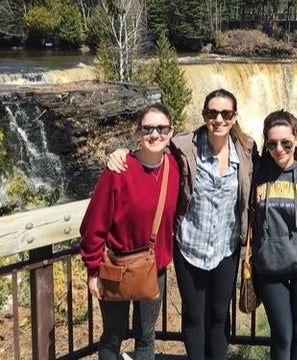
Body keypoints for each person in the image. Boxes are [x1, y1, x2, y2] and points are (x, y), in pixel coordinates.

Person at [107, 88, 259, 360]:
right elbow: (152, 148)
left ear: (234, 117)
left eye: (226, 113)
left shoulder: (246, 149)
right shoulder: (183, 146)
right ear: (204, 115)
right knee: (193, 316)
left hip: (226, 248)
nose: (219, 119)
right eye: (212, 113)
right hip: (190, 246)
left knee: (219, 315)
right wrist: (121, 152)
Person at [80, 103, 180, 359]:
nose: (154, 134)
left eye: (161, 128)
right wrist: (94, 270)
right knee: (113, 336)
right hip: (116, 268)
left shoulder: (175, 167)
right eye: (147, 128)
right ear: (138, 132)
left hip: (153, 268)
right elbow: (93, 223)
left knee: (146, 336)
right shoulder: (119, 170)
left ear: (171, 132)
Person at [251, 110, 297, 360]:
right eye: (272, 144)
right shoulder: (256, 172)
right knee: (282, 334)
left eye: (286, 143)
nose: (279, 149)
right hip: (269, 265)